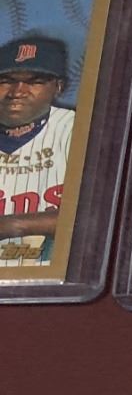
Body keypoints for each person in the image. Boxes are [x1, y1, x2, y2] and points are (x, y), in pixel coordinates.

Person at [0, 36, 73, 265]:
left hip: (49, 279)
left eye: (35, 81)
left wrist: (13, 225)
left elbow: (96, 218)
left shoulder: (78, 129)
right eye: (6, 80)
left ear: (58, 87)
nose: (17, 91)